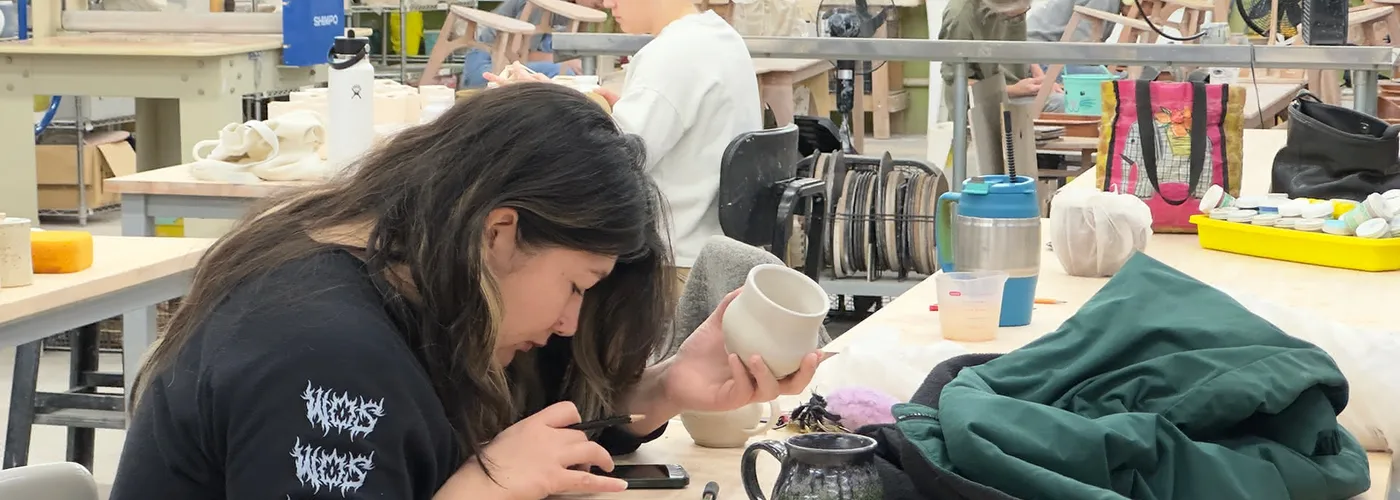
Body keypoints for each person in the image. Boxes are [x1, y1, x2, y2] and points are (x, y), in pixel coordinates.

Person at [109, 84, 822, 500]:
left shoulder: (410, 291)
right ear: (499, 233)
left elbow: (522, 424)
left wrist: (658, 391)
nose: (570, 322)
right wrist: (487, 486)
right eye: (576, 286)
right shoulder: (325, 352)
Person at [489, 0, 762, 291]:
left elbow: (610, 163)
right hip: (718, 254)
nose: (608, 4)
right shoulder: (722, 38)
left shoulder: (673, 53)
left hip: (675, 266)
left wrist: (538, 103)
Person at [939, 0, 1066, 114]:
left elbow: (1021, 46)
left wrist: (1043, 80)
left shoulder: (1015, 7)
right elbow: (957, 83)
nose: (1017, 17)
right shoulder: (960, 15)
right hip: (978, 104)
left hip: (1016, 89)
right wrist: (1012, 90)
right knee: (1060, 104)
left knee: (1069, 99)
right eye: (1011, 15)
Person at [459, 0, 606, 88]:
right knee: (564, 75)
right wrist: (565, 61)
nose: (605, 3)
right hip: (488, 66)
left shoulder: (577, 9)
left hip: (513, 64)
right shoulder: (539, 5)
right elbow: (515, 55)